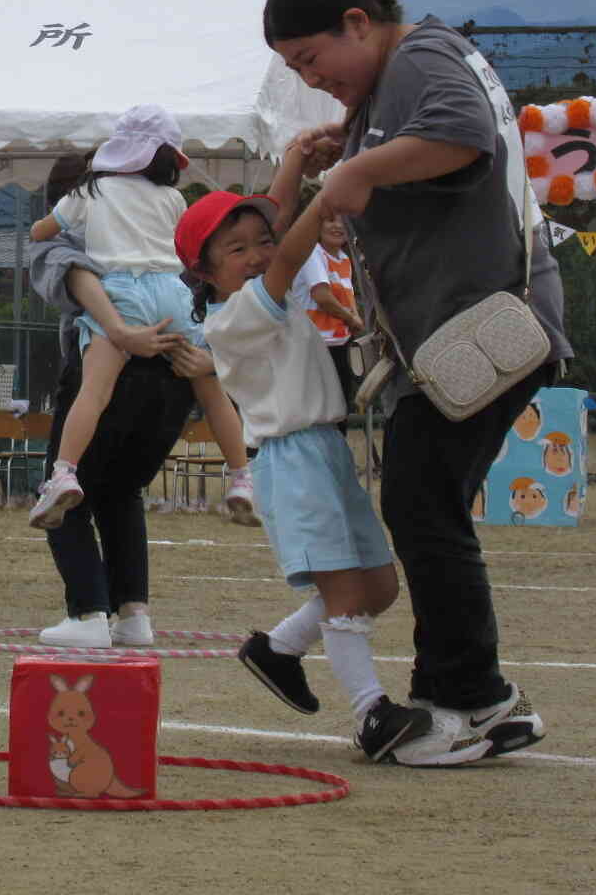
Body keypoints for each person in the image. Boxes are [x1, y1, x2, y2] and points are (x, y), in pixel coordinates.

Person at [265, 0, 570, 765]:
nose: (309, 76)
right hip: (470, 331)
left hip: (476, 326)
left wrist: (355, 175)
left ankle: (469, 697)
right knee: (425, 509)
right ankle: (473, 698)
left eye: (310, 56)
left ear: (358, 22)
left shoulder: (422, 57)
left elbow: (462, 132)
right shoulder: (400, 75)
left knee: (421, 508)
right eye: (295, 69)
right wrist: (352, 152)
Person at [176, 173, 433, 765]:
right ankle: (371, 712)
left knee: (379, 587)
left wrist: (295, 163)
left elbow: (284, 232)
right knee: (344, 590)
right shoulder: (232, 317)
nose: (256, 254)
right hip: (289, 461)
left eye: (260, 240)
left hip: (325, 449)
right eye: (234, 249)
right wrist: (333, 190)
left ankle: (278, 648)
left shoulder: (273, 296)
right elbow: (291, 248)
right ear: (205, 274)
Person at [25, 106, 256, 530]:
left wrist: (46, 226)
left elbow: (42, 232)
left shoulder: (89, 193)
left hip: (119, 293)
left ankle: (63, 474)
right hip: (172, 293)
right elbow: (185, 248)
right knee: (210, 391)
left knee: (93, 391)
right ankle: (242, 477)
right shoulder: (171, 198)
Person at [25, 156, 197, 649]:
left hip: (109, 364)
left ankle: (87, 612)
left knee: (66, 487)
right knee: (122, 491)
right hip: (174, 371)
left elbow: (75, 275)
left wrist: (119, 331)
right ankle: (133, 612)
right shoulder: (166, 232)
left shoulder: (65, 228)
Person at [299, 215, 365, 407]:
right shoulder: (312, 253)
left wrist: (354, 317)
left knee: (341, 409)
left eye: (343, 222)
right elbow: (322, 297)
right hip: (315, 345)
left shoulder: (344, 258)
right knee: (322, 411)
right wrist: (352, 319)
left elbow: (348, 296)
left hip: (340, 344)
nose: (337, 226)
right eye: (330, 221)